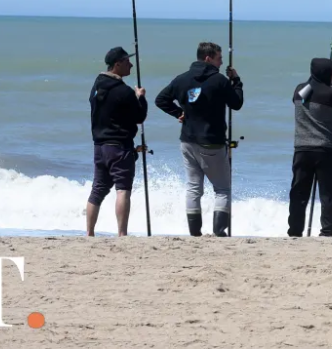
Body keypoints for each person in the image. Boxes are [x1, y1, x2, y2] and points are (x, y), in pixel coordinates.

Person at [154, 42, 244, 237]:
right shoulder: (220, 81)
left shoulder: (181, 79)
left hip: (187, 141)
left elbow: (161, 99)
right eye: (219, 58)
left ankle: (195, 233)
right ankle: (219, 231)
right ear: (208, 58)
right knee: (222, 189)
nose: (221, 63)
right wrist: (236, 81)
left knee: (194, 188)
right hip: (212, 141)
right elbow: (236, 104)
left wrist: (178, 112)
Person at [87, 46, 148, 237]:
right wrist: (141, 98)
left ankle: (89, 233)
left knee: (97, 190)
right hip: (120, 147)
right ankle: (122, 233)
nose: (131, 64)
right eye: (127, 61)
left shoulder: (97, 86)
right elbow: (140, 117)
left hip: (99, 146)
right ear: (117, 64)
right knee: (123, 190)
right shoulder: (124, 91)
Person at [286, 58, 332, 237]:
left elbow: (298, 99)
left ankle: (295, 230)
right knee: (328, 191)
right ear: (325, 73)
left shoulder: (301, 90)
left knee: (299, 191)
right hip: (327, 149)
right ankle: (327, 229)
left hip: (302, 149)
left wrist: (315, 83)